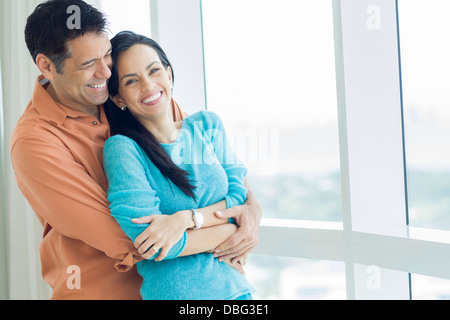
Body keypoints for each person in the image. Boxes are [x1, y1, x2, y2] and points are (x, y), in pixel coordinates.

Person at [10, 0, 261, 300]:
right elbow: (137, 240)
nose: (105, 72)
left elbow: (215, 174)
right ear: (46, 66)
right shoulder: (35, 143)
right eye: (89, 64)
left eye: (106, 56)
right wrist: (231, 229)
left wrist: (252, 210)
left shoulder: (139, 98)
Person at [103, 31, 255, 300]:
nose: (148, 85)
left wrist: (186, 220)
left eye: (154, 71)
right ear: (118, 99)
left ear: (169, 74)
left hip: (236, 291)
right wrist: (229, 230)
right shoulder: (123, 149)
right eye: (131, 81)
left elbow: (239, 194)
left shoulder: (207, 125)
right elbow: (150, 243)